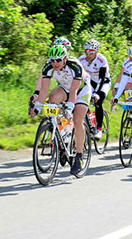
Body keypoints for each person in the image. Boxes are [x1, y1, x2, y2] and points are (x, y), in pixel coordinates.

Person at [33, 45, 91, 175]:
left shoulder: (74, 66)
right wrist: (37, 107)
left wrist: (70, 108)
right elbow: (44, 90)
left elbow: (74, 91)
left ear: (65, 58)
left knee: (77, 120)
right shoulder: (48, 67)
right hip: (64, 87)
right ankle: (61, 135)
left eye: (58, 60)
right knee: (53, 99)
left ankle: (79, 156)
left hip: (82, 90)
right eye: (52, 60)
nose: (55, 63)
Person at [79, 40, 111, 140]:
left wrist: (96, 93)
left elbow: (101, 78)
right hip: (91, 81)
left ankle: (99, 128)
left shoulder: (101, 60)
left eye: (91, 53)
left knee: (98, 101)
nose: (88, 55)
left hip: (103, 82)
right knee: (81, 98)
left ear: (96, 52)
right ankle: (88, 118)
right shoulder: (81, 59)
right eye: (86, 52)